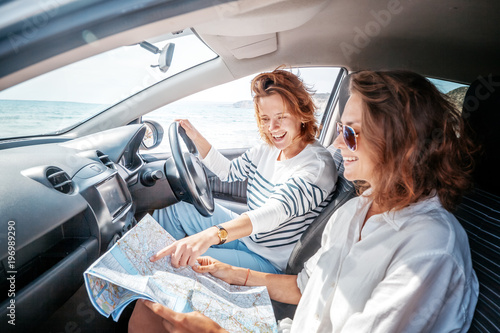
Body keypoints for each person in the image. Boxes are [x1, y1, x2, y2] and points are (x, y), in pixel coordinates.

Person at [129, 70, 479, 333]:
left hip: (276, 285)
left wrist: (218, 329)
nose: (339, 147)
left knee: (157, 311)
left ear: (403, 142)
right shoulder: (354, 212)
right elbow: (304, 287)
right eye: (340, 130)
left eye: (350, 133)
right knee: (151, 305)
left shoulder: (430, 247)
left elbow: (275, 213)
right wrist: (228, 273)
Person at [151, 67, 337, 274]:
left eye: (281, 117)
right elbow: (228, 172)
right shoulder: (268, 148)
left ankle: (159, 274)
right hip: (248, 237)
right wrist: (195, 136)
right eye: (265, 119)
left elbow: (273, 213)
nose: (272, 128)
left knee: (176, 260)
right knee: (175, 206)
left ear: (302, 114)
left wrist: (211, 235)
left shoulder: (316, 167)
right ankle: (154, 262)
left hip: (267, 259)